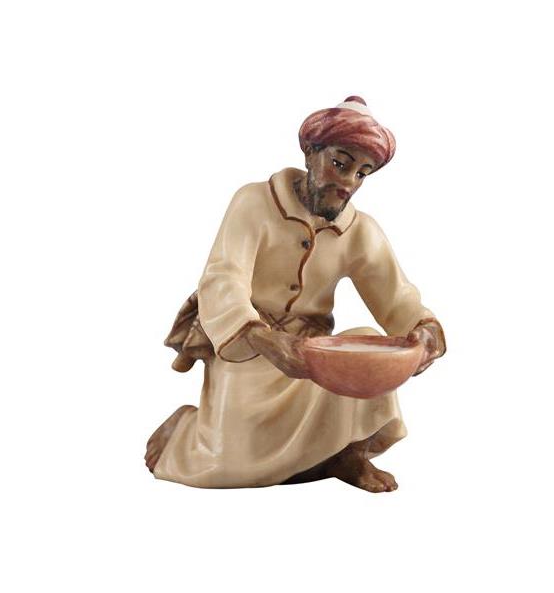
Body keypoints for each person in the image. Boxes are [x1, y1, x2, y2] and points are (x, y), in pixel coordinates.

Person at [145, 96, 446, 492]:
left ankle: (345, 455)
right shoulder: (254, 203)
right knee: (229, 468)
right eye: (339, 164)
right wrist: (261, 337)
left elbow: (396, 297)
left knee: (369, 345)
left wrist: (425, 330)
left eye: (362, 173)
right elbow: (223, 277)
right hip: (250, 348)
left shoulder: (360, 231)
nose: (348, 183)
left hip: (312, 356)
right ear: (310, 153)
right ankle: (187, 430)